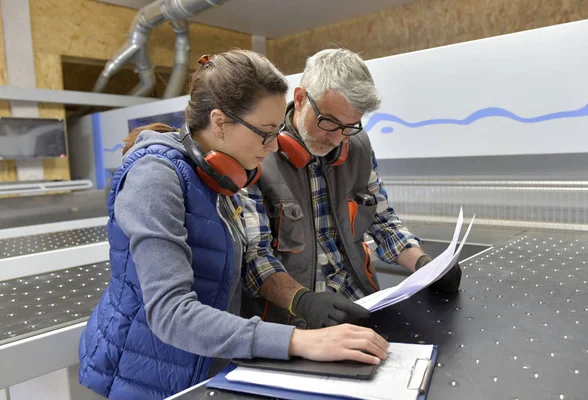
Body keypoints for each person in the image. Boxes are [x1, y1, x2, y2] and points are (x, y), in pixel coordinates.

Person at [78, 49, 388, 400]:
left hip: (200, 363)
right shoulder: (155, 177)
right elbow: (170, 313)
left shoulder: (220, 175)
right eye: (267, 133)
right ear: (220, 121)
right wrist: (301, 341)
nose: (273, 148)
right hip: (146, 376)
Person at [240, 48, 462, 329]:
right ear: (299, 99)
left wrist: (425, 265)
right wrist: (304, 301)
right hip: (293, 319)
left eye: (349, 126)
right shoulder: (257, 156)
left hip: (360, 303)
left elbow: (383, 221)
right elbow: (255, 257)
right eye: (329, 122)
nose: (336, 138)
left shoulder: (356, 146)